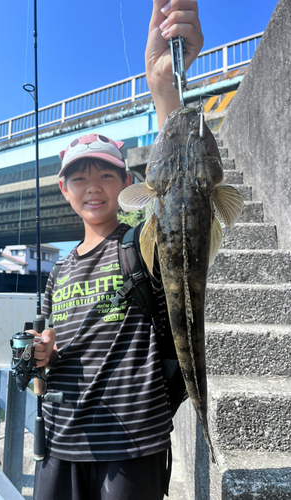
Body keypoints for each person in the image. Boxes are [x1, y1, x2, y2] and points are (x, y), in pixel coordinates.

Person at [31, 1, 203, 499]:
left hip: (132, 448)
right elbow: (46, 352)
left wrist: (163, 88)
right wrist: (40, 354)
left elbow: (179, 194)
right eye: (78, 177)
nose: (92, 186)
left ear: (129, 182)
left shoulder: (140, 244)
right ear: (64, 190)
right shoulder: (58, 270)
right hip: (61, 442)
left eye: (106, 173)